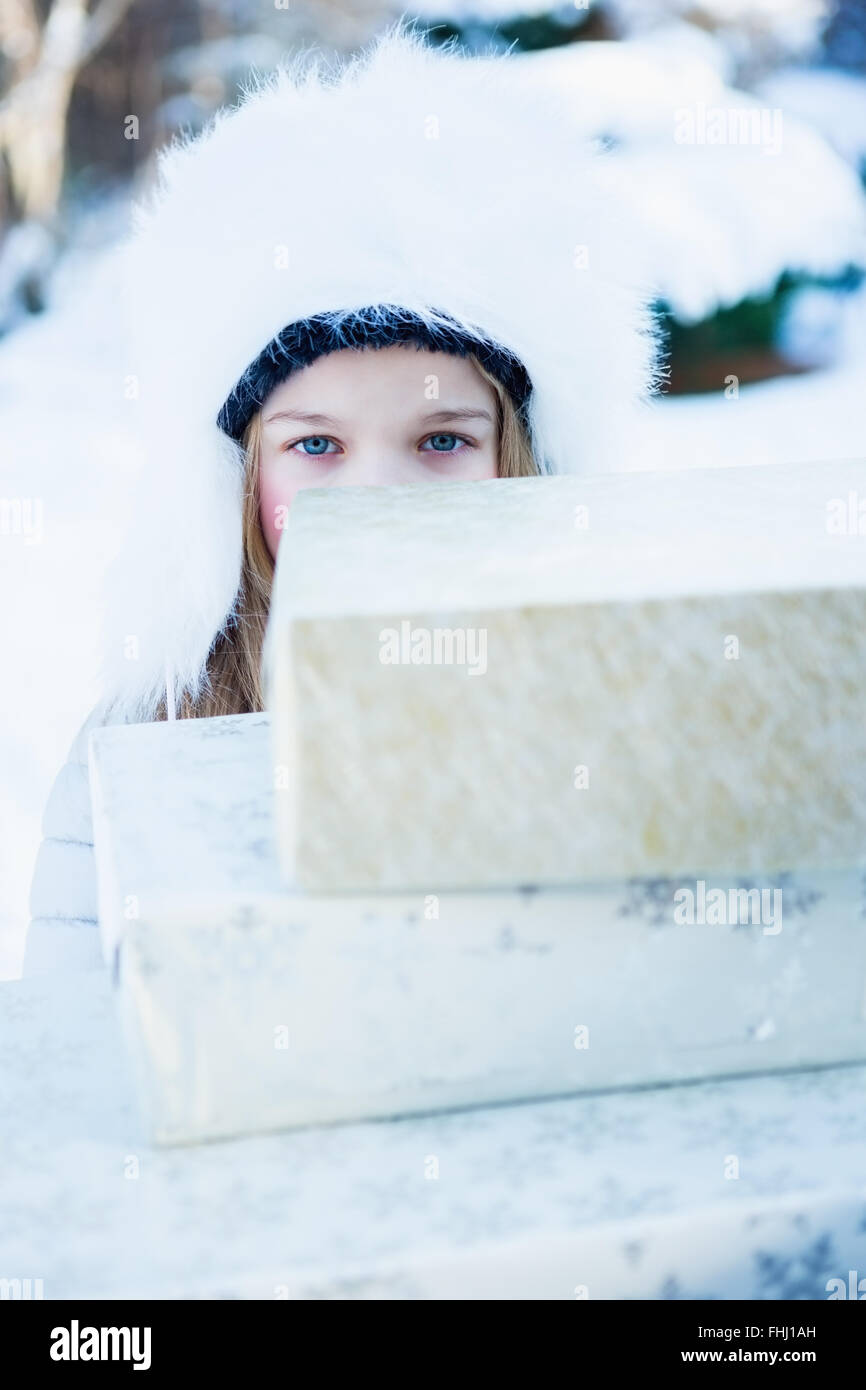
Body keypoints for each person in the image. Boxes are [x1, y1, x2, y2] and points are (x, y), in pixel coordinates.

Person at [24, 22, 659, 976]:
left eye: (441, 440)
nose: (374, 495)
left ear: (522, 462)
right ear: (236, 480)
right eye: (315, 444)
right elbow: (72, 1025)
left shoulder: (621, 711)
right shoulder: (148, 733)